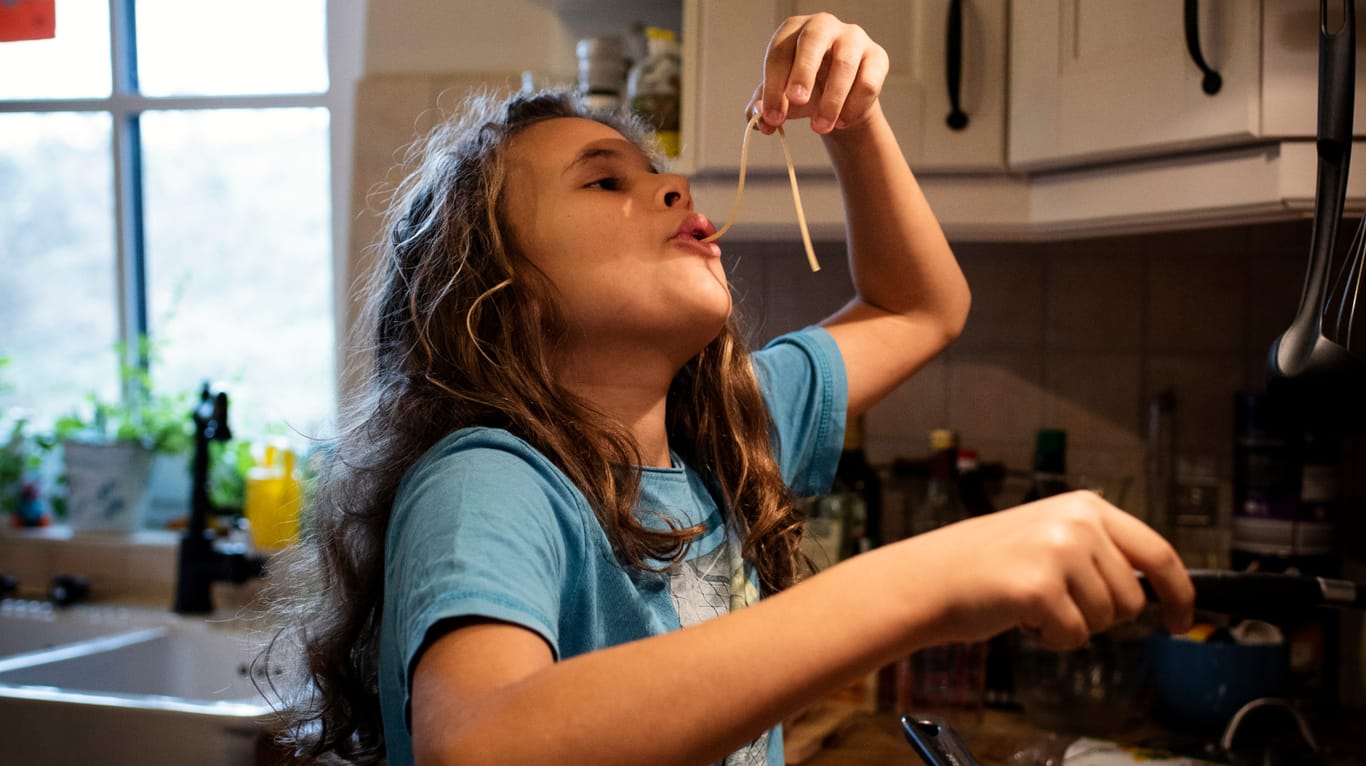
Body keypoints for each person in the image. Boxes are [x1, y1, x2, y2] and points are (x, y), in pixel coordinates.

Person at [264, 12, 1194, 766]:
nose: (671, 186)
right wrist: (934, 578)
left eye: (658, 170)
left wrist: (856, 120)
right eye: (603, 182)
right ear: (498, 290)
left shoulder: (722, 433)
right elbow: (484, 744)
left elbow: (920, 309)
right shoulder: (491, 484)